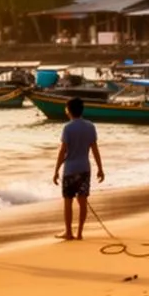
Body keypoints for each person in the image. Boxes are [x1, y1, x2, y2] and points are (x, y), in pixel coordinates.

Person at [52, 97, 105, 240]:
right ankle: (80, 232)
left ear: (69, 110)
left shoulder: (67, 128)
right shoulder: (90, 126)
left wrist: (56, 170)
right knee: (82, 202)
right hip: (84, 169)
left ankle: (69, 232)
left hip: (70, 169)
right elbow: (94, 149)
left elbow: (63, 151)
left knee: (68, 201)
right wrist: (100, 168)